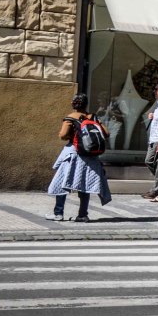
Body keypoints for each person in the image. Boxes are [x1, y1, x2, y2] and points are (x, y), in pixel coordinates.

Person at [45, 93, 112, 222]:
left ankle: (58, 213)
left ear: (73, 104)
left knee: (62, 182)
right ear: (85, 104)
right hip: (91, 157)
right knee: (84, 185)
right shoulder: (93, 117)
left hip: (74, 154)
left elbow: (63, 135)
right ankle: (82, 215)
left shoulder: (70, 117)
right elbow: (107, 133)